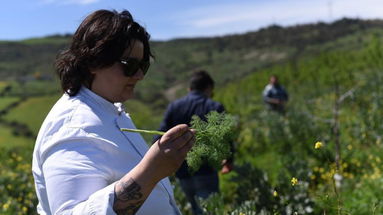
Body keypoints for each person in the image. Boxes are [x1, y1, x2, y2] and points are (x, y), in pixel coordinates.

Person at [32, 9, 195, 215]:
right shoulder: (75, 128)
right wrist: (152, 171)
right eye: (130, 65)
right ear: (93, 61)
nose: (139, 75)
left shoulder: (109, 110)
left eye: (143, 66)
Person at [155, 70, 233, 215]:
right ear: (208, 88)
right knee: (210, 209)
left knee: (195, 208)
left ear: (189, 89)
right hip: (207, 170)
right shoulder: (214, 107)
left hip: (182, 170)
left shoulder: (174, 107)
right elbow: (226, 138)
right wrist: (229, 160)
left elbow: (159, 139)